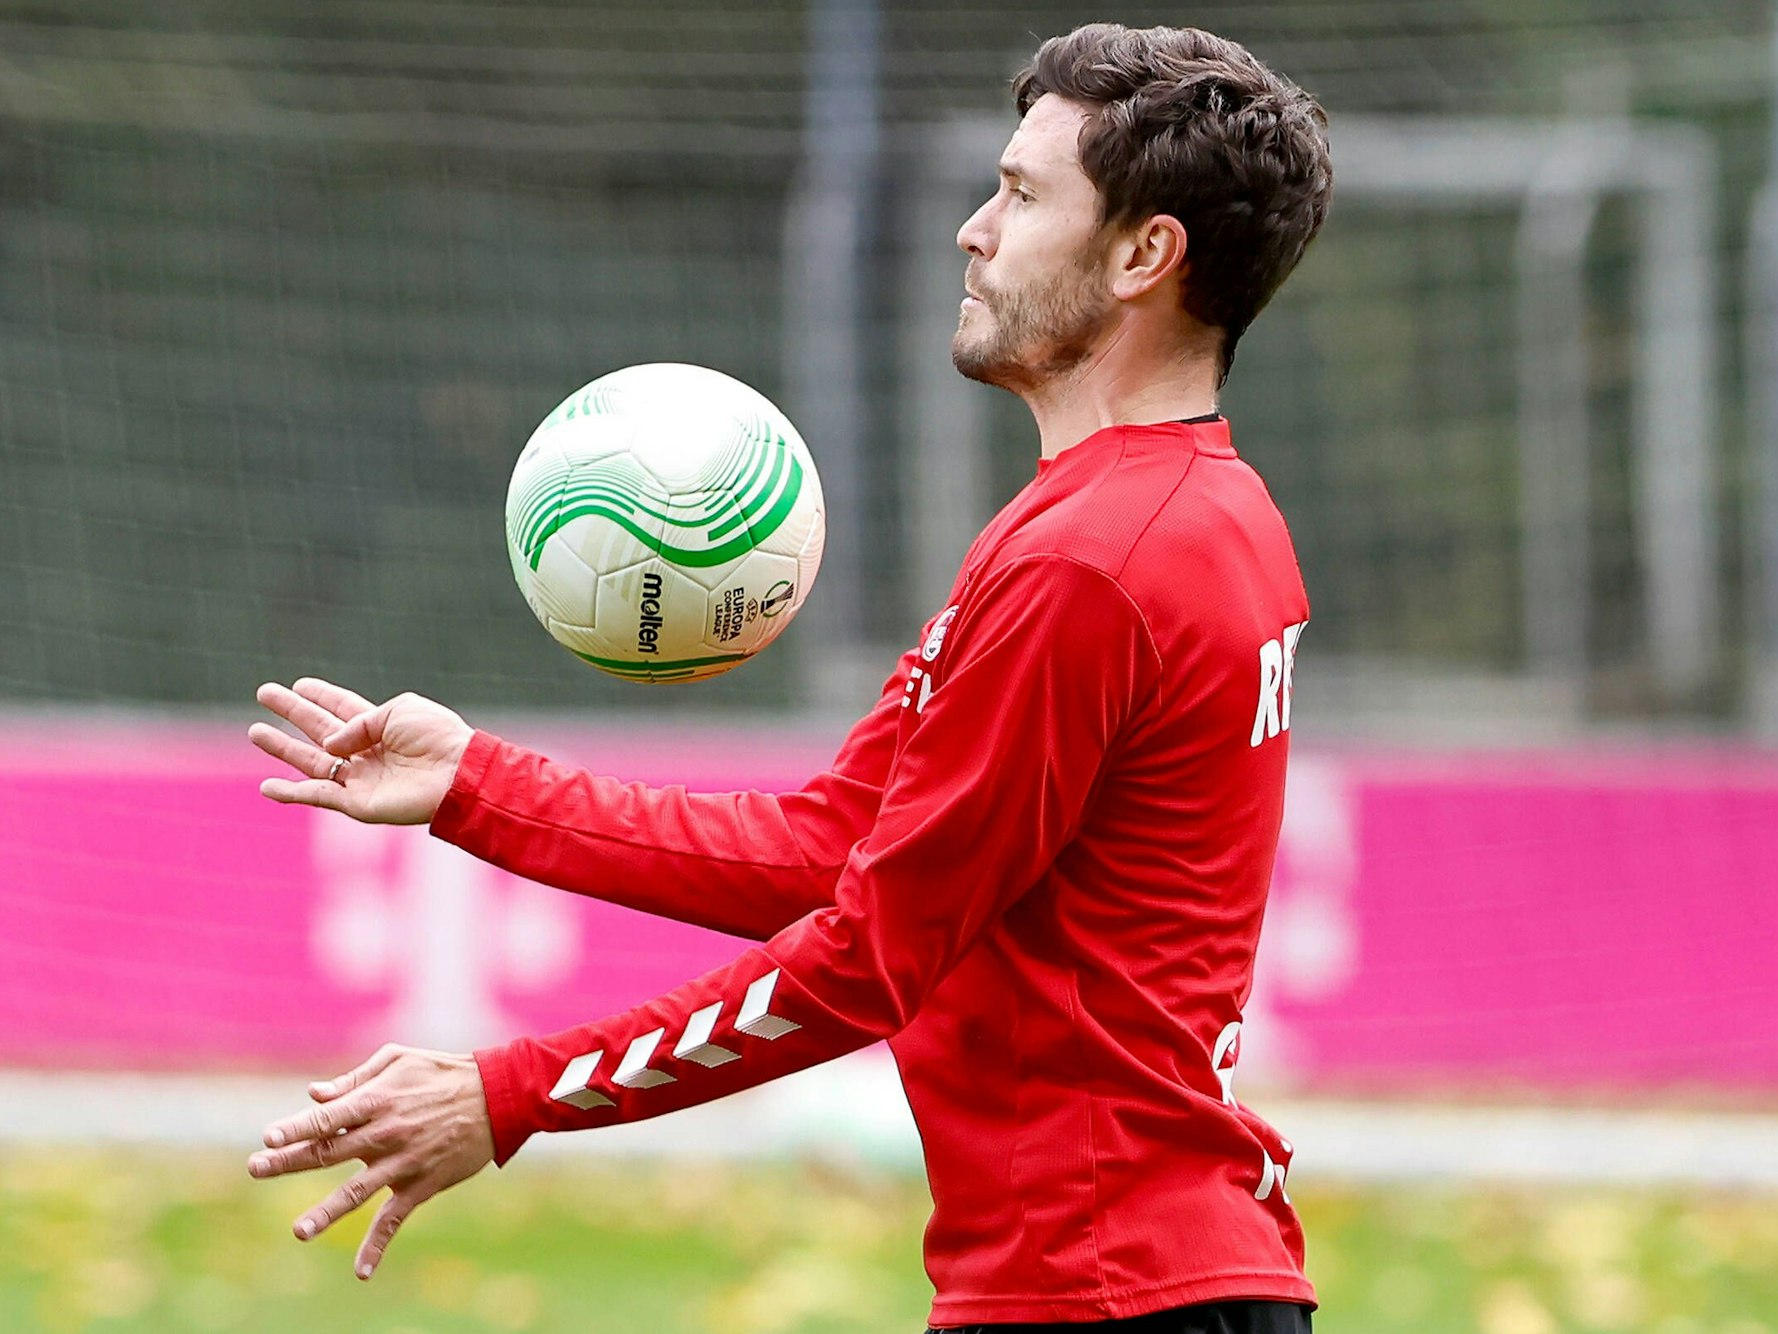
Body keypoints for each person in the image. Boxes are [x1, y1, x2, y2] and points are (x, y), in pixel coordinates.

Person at [248, 22, 1332, 1334]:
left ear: (1141, 254)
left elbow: (868, 956)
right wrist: (479, 784)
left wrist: (515, 1088)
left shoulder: (1093, 565)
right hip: (1142, 1274)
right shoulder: (1171, 514)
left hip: (1109, 1288)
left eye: (1022, 193)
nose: (972, 231)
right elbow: (836, 845)